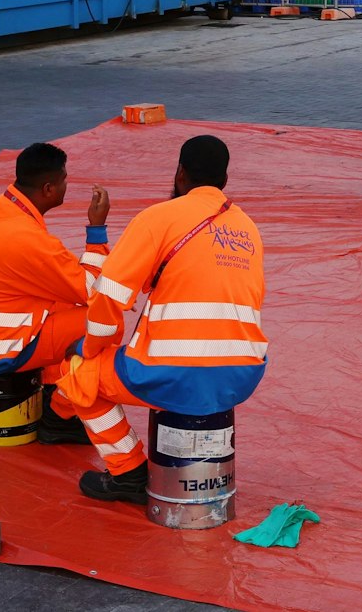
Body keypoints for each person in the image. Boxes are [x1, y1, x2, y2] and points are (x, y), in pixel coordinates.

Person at [54, 135, 266, 503]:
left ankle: (127, 472)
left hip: (172, 374)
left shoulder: (157, 218)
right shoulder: (248, 228)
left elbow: (108, 297)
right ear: (225, 179)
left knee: (78, 373)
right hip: (241, 375)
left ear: (180, 173)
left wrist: (90, 347)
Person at [0, 143, 111, 443]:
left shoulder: (4, 208)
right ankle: (60, 414)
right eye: (64, 179)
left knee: (65, 302)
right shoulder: (27, 238)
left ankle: (51, 386)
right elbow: (93, 291)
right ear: (49, 189)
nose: (67, 185)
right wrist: (97, 231)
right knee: (106, 322)